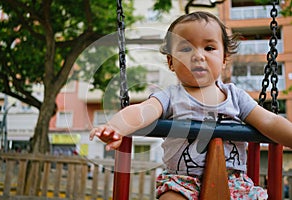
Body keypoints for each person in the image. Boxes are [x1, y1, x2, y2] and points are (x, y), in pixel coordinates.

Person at [90, 11, 292, 200]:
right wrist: (116, 127)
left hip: (234, 182)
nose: (198, 56)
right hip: (181, 181)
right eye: (186, 48)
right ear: (171, 62)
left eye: (209, 48)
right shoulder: (170, 96)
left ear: (224, 59)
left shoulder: (236, 97)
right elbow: (143, 111)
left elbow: (269, 120)